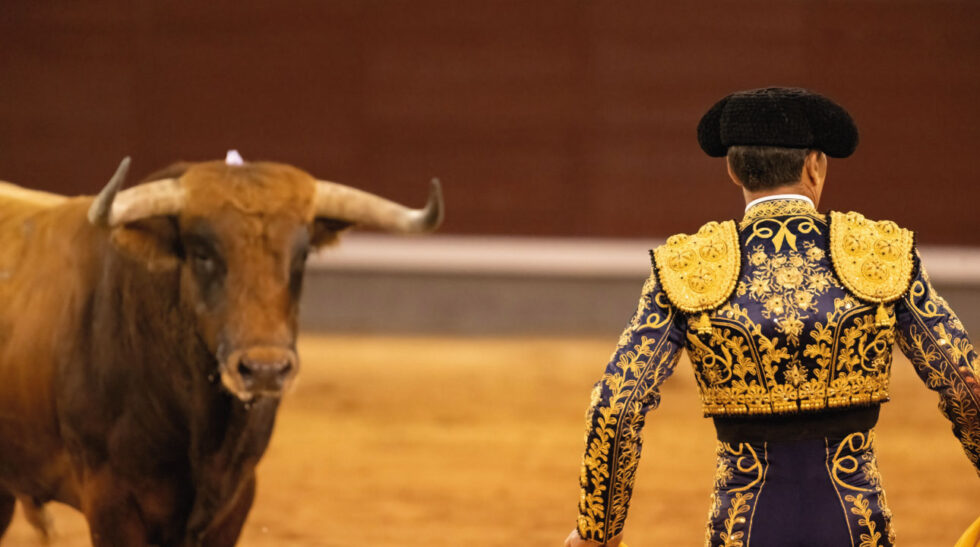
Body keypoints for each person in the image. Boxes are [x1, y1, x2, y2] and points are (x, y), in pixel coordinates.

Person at [564, 87, 980, 547]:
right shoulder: (877, 255)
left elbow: (617, 406)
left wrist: (598, 533)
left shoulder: (691, 267)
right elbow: (966, 383)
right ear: (814, 165)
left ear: (732, 169)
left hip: (744, 526)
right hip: (853, 522)